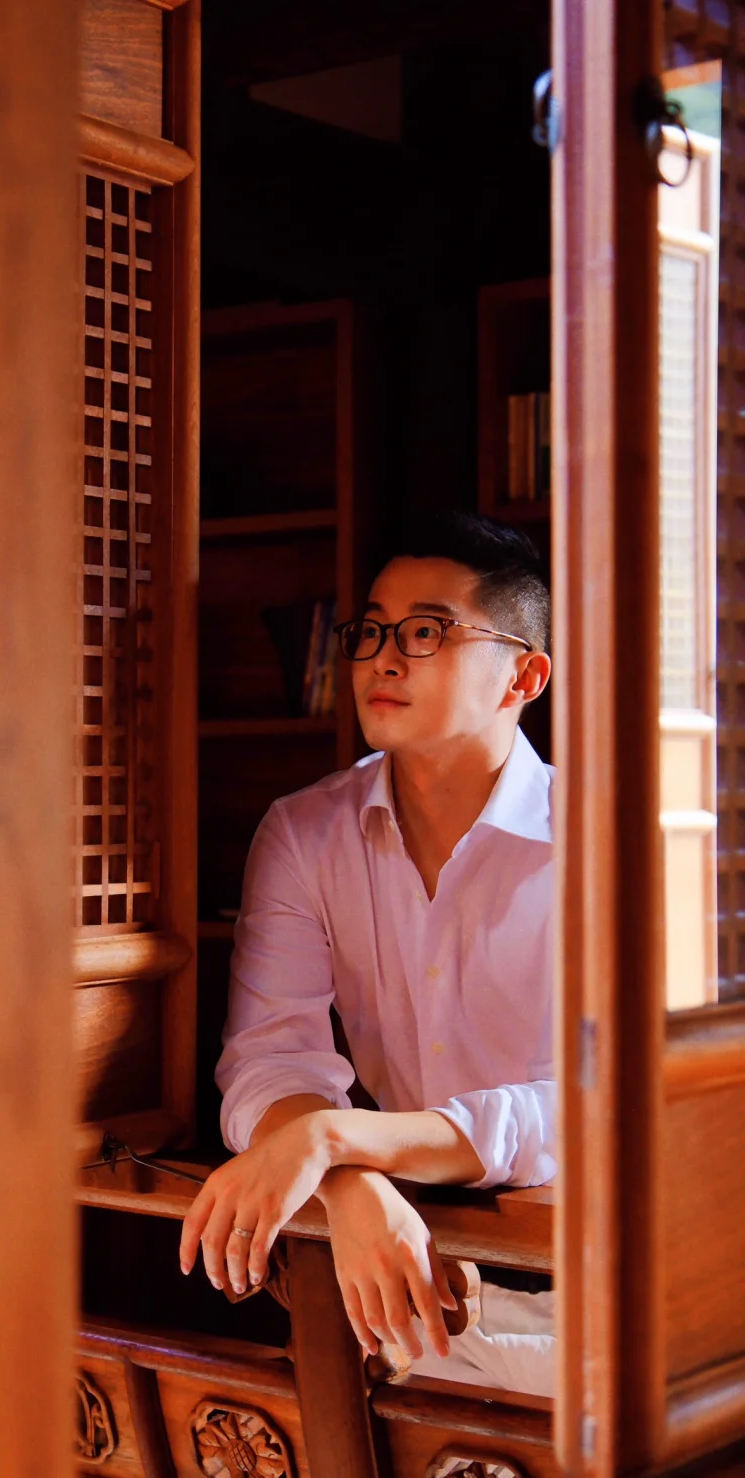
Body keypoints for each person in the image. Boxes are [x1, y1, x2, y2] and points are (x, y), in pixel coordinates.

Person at [179, 512, 556, 1396]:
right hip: (406, 1266)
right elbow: (268, 1060)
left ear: (523, 676)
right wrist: (347, 1177)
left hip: (600, 1272)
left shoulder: (606, 835)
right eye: (372, 631)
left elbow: (592, 1107)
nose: (384, 659)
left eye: (426, 632)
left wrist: (340, 1136)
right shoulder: (304, 832)